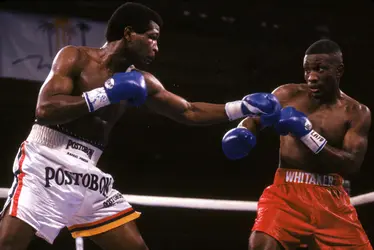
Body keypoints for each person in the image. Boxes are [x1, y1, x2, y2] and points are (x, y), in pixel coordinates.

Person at [0, 2, 281, 250]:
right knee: (8, 244)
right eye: (152, 38)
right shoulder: (75, 56)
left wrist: (241, 107)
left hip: (87, 172)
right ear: (128, 33)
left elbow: (189, 111)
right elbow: (45, 109)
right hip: (45, 162)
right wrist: (106, 94)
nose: (157, 47)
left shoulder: (143, 81)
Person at [222, 39, 372, 249]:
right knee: (261, 245)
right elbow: (254, 119)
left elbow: (351, 164)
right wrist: (242, 130)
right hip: (286, 193)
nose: (312, 77)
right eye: (307, 70)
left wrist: (307, 135)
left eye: (320, 69)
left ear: (339, 70)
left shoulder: (356, 112)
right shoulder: (287, 95)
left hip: (332, 199)